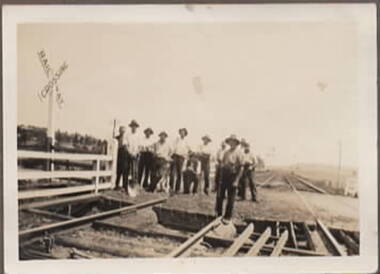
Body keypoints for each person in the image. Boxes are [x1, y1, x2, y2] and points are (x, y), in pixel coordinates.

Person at [215, 134, 244, 225]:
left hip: (233, 175)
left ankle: (228, 216)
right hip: (224, 175)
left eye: (233, 142)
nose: (232, 143)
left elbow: (241, 167)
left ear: (236, 143)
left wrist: (236, 180)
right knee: (220, 196)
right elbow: (223, 165)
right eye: (230, 141)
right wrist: (220, 178)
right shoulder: (226, 152)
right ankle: (218, 214)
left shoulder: (239, 153)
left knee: (231, 197)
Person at [170, 128, 190, 193]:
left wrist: (185, 156)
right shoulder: (176, 140)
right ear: (180, 133)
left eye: (183, 132)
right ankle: (171, 187)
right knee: (172, 173)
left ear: (185, 134)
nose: (182, 133)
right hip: (175, 156)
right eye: (181, 132)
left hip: (181, 158)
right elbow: (172, 148)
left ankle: (177, 189)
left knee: (179, 173)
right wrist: (171, 156)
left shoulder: (186, 142)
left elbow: (188, 150)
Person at [125, 119, 141, 196]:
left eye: (135, 126)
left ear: (136, 127)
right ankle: (125, 186)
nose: (133, 128)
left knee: (135, 171)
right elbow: (126, 145)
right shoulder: (127, 135)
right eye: (132, 126)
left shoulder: (138, 136)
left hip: (135, 155)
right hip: (128, 155)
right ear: (131, 127)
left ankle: (134, 187)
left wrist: (136, 153)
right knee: (127, 170)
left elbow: (139, 146)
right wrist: (130, 153)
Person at [114, 126, 128, 190]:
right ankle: (116, 185)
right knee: (118, 172)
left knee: (125, 171)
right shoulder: (116, 138)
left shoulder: (126, 138)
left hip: (125, 157)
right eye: (121, 131)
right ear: (119, 131)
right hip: (118, 156)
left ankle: (124, 186)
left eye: (123, 131)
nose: (122, 132)